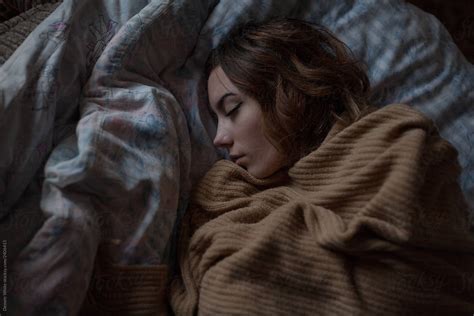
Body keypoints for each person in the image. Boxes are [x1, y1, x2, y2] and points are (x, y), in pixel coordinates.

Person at [167, 18, 474, 315]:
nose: (219, 138)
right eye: (216, 120)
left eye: (232, 109)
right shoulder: (230, 197)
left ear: (286, 90)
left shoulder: (395, 140)